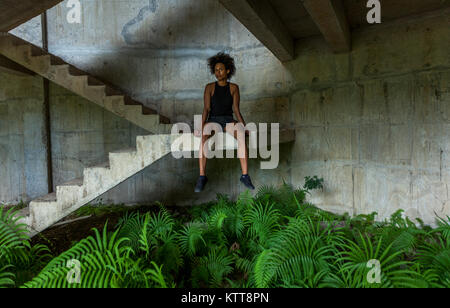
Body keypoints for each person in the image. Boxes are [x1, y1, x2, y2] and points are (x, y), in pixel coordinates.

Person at [194, 52, 255, 193]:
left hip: (228, 120)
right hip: (213, 120)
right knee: (204, 135)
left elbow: (236, 109)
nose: (218, 72)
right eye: (215, 70)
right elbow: (206, 109)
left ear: (227, 70)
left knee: (240, 133)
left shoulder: (234, 88)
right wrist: (200, 126)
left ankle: (245, 175)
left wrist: (244, 127)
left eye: (221, 69)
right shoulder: (209, 87)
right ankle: (202, 176)